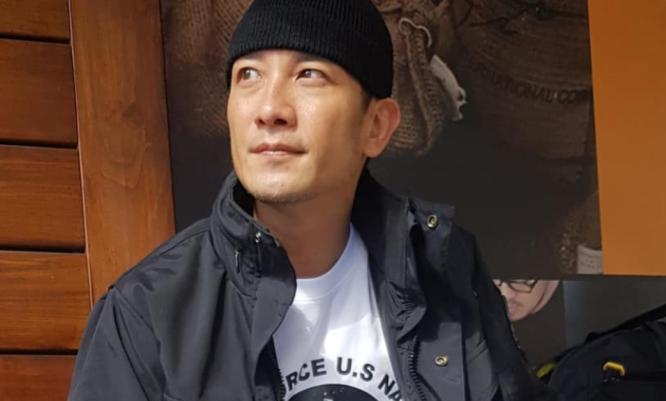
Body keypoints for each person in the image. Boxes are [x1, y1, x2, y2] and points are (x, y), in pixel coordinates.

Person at [67, 1, 551, 400]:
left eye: (310, 74)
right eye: (249, 75)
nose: (269, 109)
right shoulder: (147, 311)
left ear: (376, 126)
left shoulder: (446, 268)